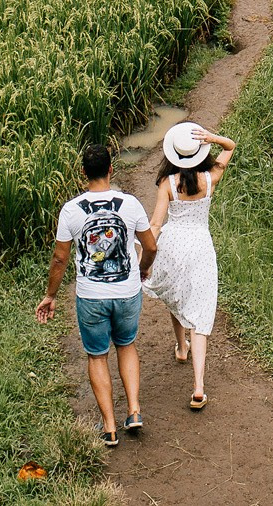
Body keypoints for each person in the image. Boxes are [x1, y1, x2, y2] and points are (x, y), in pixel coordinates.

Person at [39, 142, 160, 447]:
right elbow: (150, 246)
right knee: (126, 345)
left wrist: (50, 296)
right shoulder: (130, 204)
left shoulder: (70, 210)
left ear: (83, 172)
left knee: (97, 355)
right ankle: (134, 411)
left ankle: (109, 427)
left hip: (91, 295)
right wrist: (142, 270)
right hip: (126, 291)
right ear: (110, 169)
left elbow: (60, 259)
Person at [142, 122, 235, 409]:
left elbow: (155, 224)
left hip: (173, 246)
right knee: (201, 314)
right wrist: (211, 138)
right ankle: (198, 387)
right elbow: (230, 146)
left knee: (175, 295)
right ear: (200, 153)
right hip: (200, 248)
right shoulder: (210, 178)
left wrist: (145, 258)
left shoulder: (167, 184)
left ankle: (182, 348)